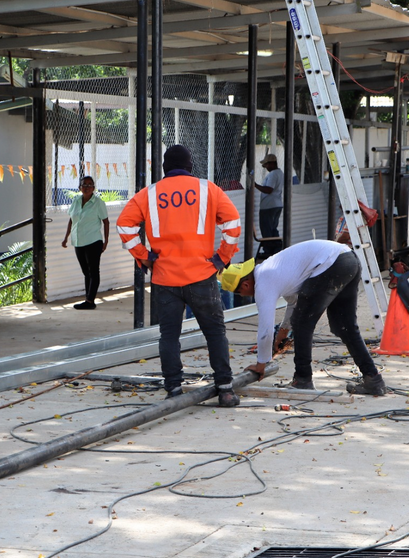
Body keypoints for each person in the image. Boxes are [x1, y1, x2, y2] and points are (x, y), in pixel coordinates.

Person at [116, 145, 242, 407]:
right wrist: (221, 258)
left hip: (165, 278)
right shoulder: (208, 190)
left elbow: (124, 225)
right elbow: (232, 223)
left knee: (169, 336)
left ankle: (173, 388)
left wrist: (145, 256)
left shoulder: (148, 194)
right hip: (201, 275)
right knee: (215, 333)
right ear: (190, 167)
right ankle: (226, 389)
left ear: (164, 167)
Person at [219, 240, 386, 396]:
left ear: (245, 285)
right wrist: (283, 334)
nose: (245, 295)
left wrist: (261, 364)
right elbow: (294, 303)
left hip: (331, 263)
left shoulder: (263, 281)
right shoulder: (274, 269)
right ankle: (373, 379)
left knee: (302, 324)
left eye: (240, 293)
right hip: (348, 259)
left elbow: (265, 329)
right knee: (344, 325)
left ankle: (303, 379)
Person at [61, 175, 109, 309]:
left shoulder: (98, 203)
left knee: (93, 271)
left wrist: (106, 241)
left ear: (93, 188)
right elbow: (72, 219)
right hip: (78, 241)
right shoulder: (76, 201)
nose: (87, 187)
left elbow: (106, 222)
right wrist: (66, 237)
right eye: (84, 185)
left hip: (93, 240)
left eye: (90, 185)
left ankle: (90, 301)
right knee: (86, 272)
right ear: (79, 187)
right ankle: (88, 299)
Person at [252, 153, 284, 256]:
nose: (265, 167)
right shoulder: (280, 173)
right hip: (277, 204)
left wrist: (255, 185)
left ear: (271, 163)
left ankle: (268, 251)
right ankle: (276, 249)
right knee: (273, 229)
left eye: (266, 165)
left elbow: (269, 189)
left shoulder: (273, 174)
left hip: (269, 206)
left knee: (266, 230)